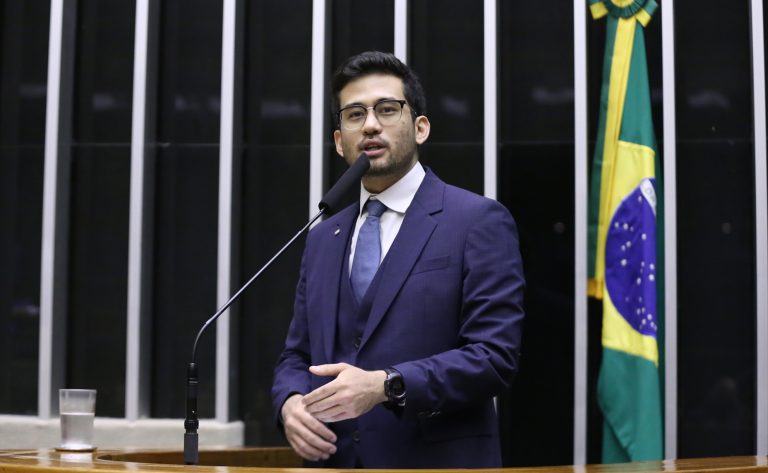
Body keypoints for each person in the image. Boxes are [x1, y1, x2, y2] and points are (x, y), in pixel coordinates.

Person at [271, 51, 525, 469]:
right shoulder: (323, 238)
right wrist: (290, 402)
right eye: (355, 115)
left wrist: (386, 385)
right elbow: (296, 356)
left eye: (387, 110)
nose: (370, 125)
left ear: (420, 127)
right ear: (339, 141)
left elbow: (494, 356)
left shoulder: (476, 221)